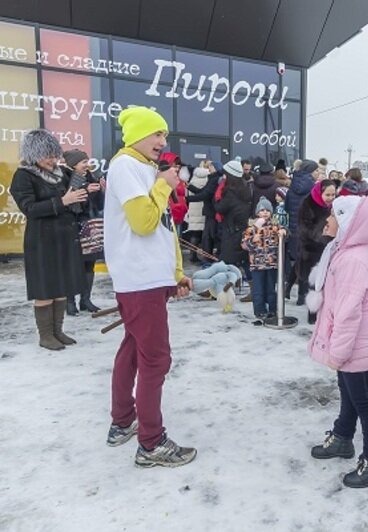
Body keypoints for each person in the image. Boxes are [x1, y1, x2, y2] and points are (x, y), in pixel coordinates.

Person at [103, 106, 196, 467]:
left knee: (133, 347)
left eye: (165, 135)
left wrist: (174, 273)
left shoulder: (142, 168)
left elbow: (162, 229)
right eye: (157, 133)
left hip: (148, 277)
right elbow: (143, 222)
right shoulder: (126, 165)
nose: (163, 141)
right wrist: (162, 186)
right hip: (139, 278)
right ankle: (151, 443)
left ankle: (122, 420)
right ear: (138, 134)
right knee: (156, 359)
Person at [307, 196, 368, 489]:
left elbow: (348, 312)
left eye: (333, 216)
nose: (327, 221)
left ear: (347, 224)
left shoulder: (353, 260)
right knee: (348, 391)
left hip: (354, 342)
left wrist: (339, 351)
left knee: (364, 400)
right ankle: (343, 437)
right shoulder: (345, 252)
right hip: (352, 341)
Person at [10, 129, 85, 351]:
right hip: (42, 240)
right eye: (48, 156)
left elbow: (72, 199)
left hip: (64, 236)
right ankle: (45, 335)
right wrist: (63, 201)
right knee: (45, 288)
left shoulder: (61, 172)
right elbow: (29, 208)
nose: (53, 160)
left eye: (54, 155)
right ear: (34, 154)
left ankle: (58, 331)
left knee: (61, 286)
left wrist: (79, 198)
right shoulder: (23, 176)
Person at [61, 149, 105, 315]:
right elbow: (70, 203)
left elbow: (99, 206)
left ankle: (86, 300)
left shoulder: (91, 177)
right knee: (73, 265)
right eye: (83, 162)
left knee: (89, 263)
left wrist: (101, 190)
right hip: (73, 226)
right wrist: (87, 190)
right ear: (73, 164)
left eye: (87, 161)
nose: (87, 165)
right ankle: (70, 302)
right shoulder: (65, 178)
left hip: (91, 226)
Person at [242, 196, 286, 320]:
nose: (265, 213)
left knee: (271, 288)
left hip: (271, 263)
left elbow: (285, 232)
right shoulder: (251, 228)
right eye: (262, 210)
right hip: (257, 264)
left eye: (267, 210)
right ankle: (259, 310)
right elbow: (245, 244)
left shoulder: (275, 226)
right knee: (258, 289)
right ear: (257, 213)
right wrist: (252, 237)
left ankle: (273, 309)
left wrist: (284, 232)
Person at [297, 179, 336, 318]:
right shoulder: (308, 204)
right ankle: (312, 314)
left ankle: (325, 312)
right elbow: (305, 229)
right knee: (314, 283)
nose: (331, 198)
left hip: (328, 249)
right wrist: (324, 236)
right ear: (320, 193)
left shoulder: (334, 206)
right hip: (312, 250)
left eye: (333, 195)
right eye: (328, 195)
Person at [285, 159, 320, 301]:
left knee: (300, 260)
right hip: (309, 231)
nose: (318, 173)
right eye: (316, 170)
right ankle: (301, 295)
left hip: (295, 229)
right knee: (308, 263)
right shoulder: (314, 189)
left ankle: (289, 289)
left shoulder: (292, 186)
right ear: (310, 171)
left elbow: (287, 208)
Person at [214, 159, 252, 275]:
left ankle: (226, 288)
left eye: (226, 174)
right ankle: (252, 286)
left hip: (231, 230)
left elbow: (219, 207)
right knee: (243, 260)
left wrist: (216, 198)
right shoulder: (245, 188)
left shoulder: (230, 192)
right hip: (241, 229)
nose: (224, 177)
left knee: (227, 261)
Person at [187, 161, 223, 263]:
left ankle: (208, 259)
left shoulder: (215, 179)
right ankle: (208, 258)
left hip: (212, 212)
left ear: (215, 168)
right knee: (207, 237)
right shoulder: (212, 178)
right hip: (210, 212)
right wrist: (189, 187)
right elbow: (202, 192)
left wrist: (187, 199)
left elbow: (205, 194)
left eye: (210, 167)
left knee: (208, 237)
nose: (209, 169)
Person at [184, 164, 211, 263]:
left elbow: (187, 193)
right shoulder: (208, 179)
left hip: (193, 207)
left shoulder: (193, 179)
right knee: (204, 234)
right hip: (203, 207)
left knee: (194, 233)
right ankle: (205, 255)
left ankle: (192, 255)